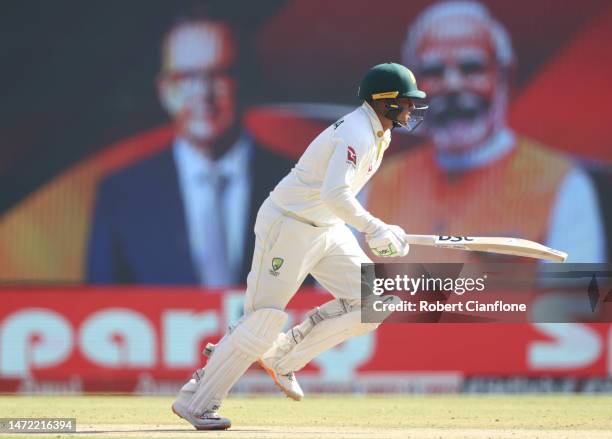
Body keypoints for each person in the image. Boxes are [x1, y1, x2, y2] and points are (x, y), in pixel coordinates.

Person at [170, 62, 427, 430]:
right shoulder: (357, 133)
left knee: (375, 303)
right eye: (405, 101)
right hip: (288, 225)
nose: (410, 110)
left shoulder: (378, 132)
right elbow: (335, 193)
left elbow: (335, 201)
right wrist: (375, 229)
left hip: (326, 228)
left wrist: (380, 231)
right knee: (262, 319)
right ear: (384, 102)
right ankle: (195, 401)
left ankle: (284, 357)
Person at [366, 0, 605, 263]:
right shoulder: (375, 190)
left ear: (503, 76)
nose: (453, 85)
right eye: (434, 71)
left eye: (471, 68)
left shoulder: (563, 187)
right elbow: (342, 297)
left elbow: (572, 302)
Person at [86, 18, 291, 286]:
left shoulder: (301, 183)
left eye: (218, 74)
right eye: (186, 77)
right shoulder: (121, 194)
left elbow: (357, 296)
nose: (203, 93)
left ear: (244, 82)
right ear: (163, 90)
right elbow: (96, 311)